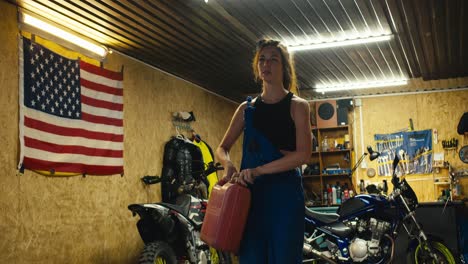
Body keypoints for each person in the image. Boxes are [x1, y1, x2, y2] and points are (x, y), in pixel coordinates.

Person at [215, 39, 312, 263]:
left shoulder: (298, 106)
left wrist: (258, 170)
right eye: (262, 60)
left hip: (284, 198)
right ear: (257, 67)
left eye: (273, 60)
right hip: (249, 200)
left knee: (285, 257)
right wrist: (228, 164)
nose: (266, 64)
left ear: (284, 67)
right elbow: (222, 148)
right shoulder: (246, 109)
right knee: (251, 258)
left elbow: (303, 154)